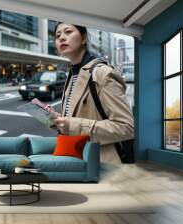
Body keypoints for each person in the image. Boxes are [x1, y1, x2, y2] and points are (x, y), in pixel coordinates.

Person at [50, 22, 134, 163]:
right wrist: (61, 121)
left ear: (84, 38)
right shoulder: (71, 74)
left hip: (102, 163)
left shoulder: (102, 73)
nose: (62, 38)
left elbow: (126, 127)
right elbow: (78, 115)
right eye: (58, 35)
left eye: (68, 32)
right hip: (76, 159)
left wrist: (73, 125)